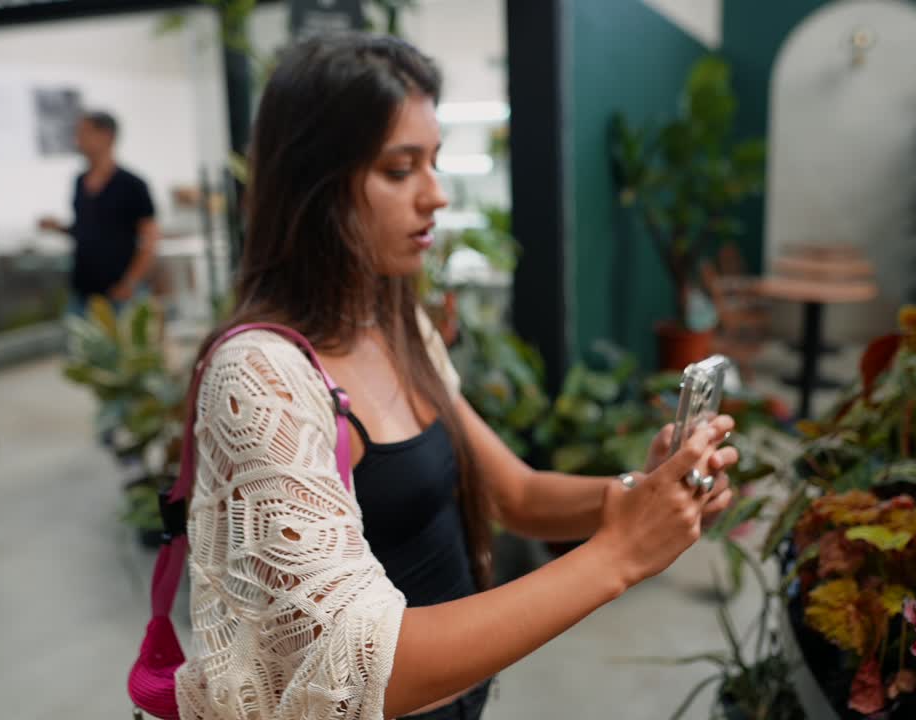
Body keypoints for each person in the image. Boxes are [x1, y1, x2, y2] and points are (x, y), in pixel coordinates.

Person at [174, 33, 739, 720]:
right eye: (399, 169)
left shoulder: (396, 324)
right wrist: (620, 555)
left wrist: (642, 495)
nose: (436, 196)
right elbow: (367, 672)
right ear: (315, 186)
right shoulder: (260, 376)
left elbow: (515, 493)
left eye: (434, 163)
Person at [38, 111, 160, 314]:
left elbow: (150, 239)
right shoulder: (80, 181)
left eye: (84, 132)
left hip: (119, 293)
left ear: (106, 136)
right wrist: (58, 227)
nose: (78, 139)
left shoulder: (132, 185)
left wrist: (130, 283)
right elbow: (88, 230)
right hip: (83, 291)